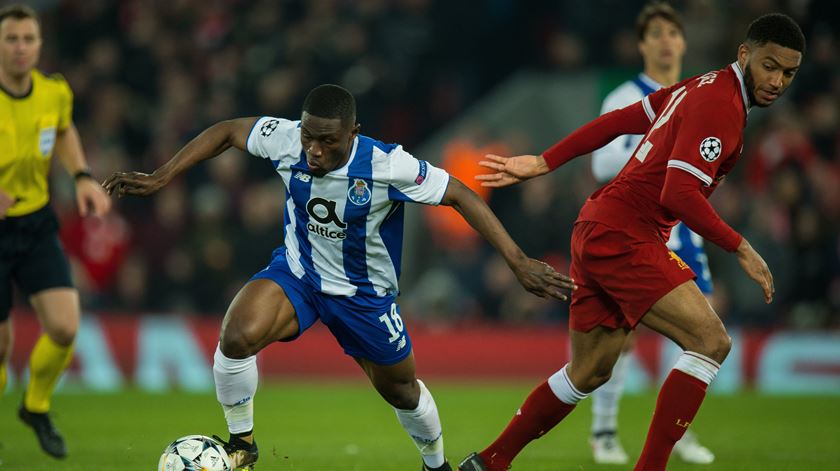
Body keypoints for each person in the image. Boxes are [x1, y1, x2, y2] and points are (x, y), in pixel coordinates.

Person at [104, 84, 575, 470]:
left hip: (364, 296)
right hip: (299, 276)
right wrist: (162, 176)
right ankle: (242, 445)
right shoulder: (288, 139)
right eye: (309, 136)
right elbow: (228, 131)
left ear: (354, 133)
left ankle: (436, 466)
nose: (313, 149)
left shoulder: (388, 165)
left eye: (327, 140)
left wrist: (517, 260)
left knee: (402, 391)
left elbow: (459, 194)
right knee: (236, 335)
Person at [460, 12, 802, 471]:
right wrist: (740, 246)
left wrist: (547, 160)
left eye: (788, 72)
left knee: (590, 371)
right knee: (711, 341)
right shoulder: (720, 103)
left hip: (599, 225)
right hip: (625, 235)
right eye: (770, 65)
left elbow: (622, 120)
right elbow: (677, 193)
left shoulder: (699, 86)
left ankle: (490, 460)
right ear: (745, 54)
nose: (777, 80)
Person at [588, 3, 712, 465]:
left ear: (683, 42)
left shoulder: (701, 93)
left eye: (672, 32)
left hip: (683, 229)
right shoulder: (623, 96)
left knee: (696, 333)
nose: (665, 41)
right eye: (655, 33)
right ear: (642, 44)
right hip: (635, 228)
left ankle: (680, 431)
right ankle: (604, 431)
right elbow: (600, 161)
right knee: (622, 335)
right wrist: (665, 154)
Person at [0, 4, 111, 460]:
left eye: (28, 39)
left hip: (35, 222)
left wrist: (82, 176)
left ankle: (36, 406)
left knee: (65, 326)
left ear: (40, 45)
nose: (20, 47)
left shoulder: (53, 93)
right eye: (11, 39)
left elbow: (64, 132)